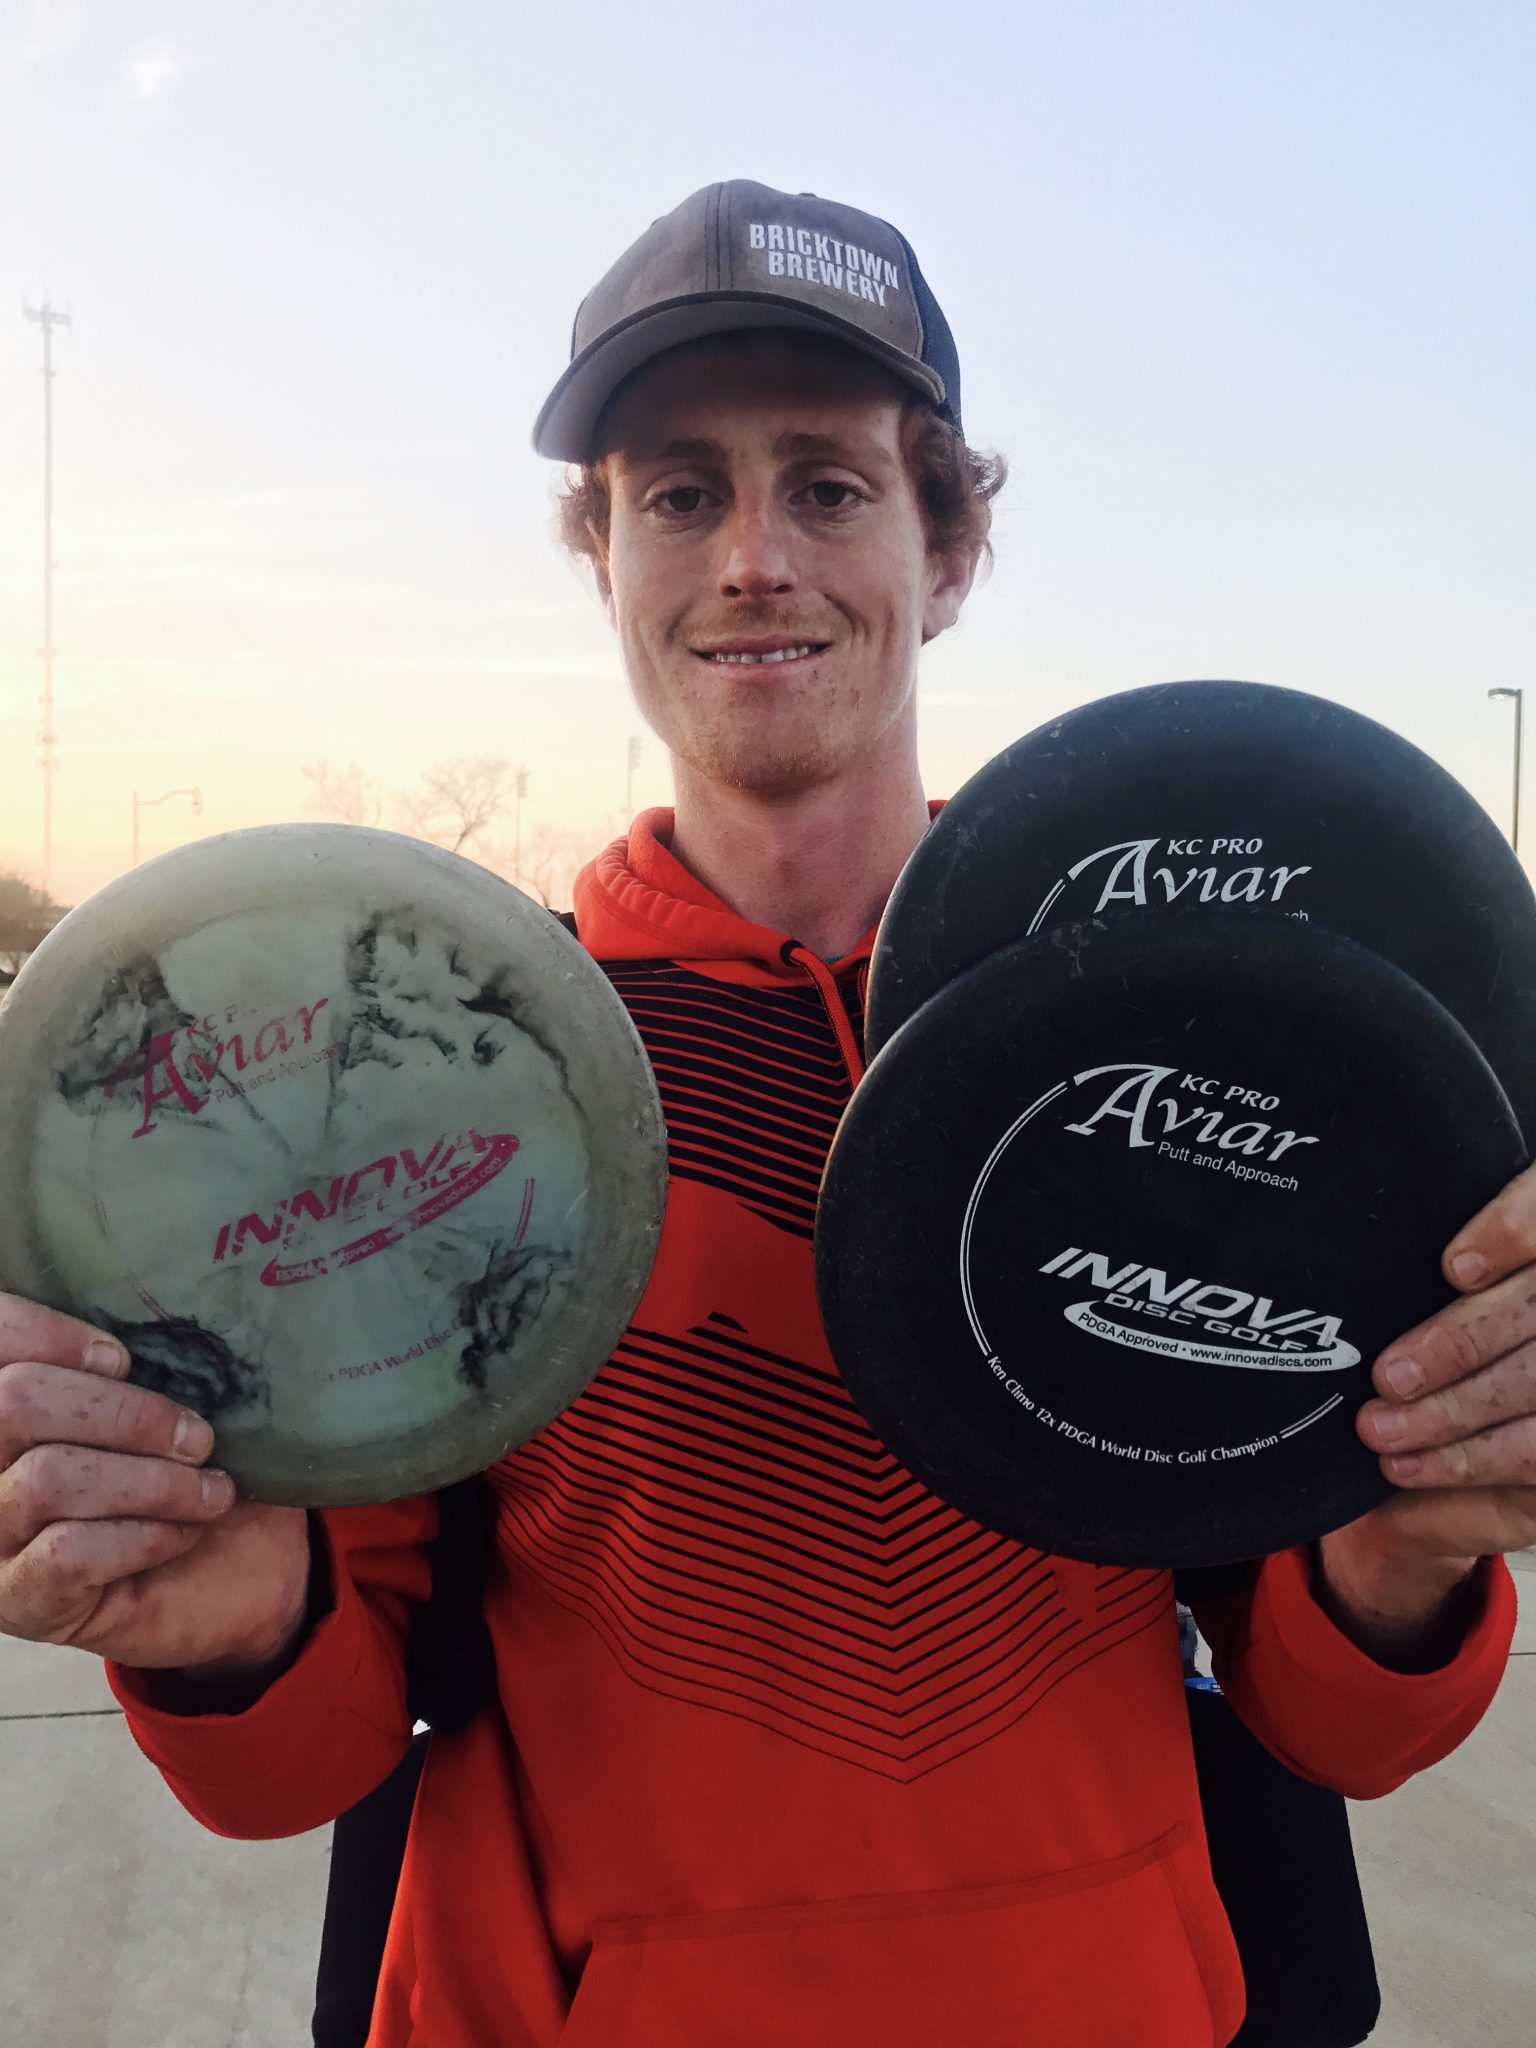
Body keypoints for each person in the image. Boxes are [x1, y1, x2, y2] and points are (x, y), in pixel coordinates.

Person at [0, 179, 1531, 2048]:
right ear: (605, 560)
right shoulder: (457, 1073)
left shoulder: (1151, 1036)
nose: (751, 558)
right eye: (677, 493)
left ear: (945, 552)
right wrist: (228, 1620)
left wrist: (1415, 1532)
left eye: (827, 485)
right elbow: (297, 1769)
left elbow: (1332, 1722)